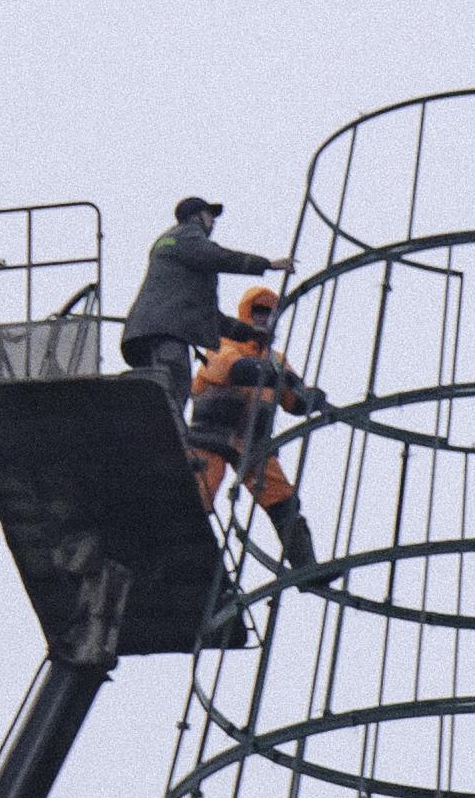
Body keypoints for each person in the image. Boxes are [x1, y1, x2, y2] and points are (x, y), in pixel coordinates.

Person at [186, 282, 331, 583]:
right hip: (211, 435)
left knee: (283, 499)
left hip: (254, 443)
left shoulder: (276, 359)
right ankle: (179, 549)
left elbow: (293, 400)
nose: (265, 318)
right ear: (246, 314)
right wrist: (279, 376)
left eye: (270, 313)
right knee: (201, 489)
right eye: (259, 311)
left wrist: (311, 398)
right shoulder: (223, 342)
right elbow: (233, 369)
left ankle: (307, 569)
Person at [122, 196, 286, 418]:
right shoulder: (186, 235)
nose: (213, 222)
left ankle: (150, 426)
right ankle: (160, 432)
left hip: (148, 331)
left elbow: (210, 318)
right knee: (174, 379)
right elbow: (218, 256)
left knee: (159, 385)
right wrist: (266, 264)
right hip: (164, 333)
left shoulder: (181, 257)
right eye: (210, 215)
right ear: (198, 216)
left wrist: (250, 333)